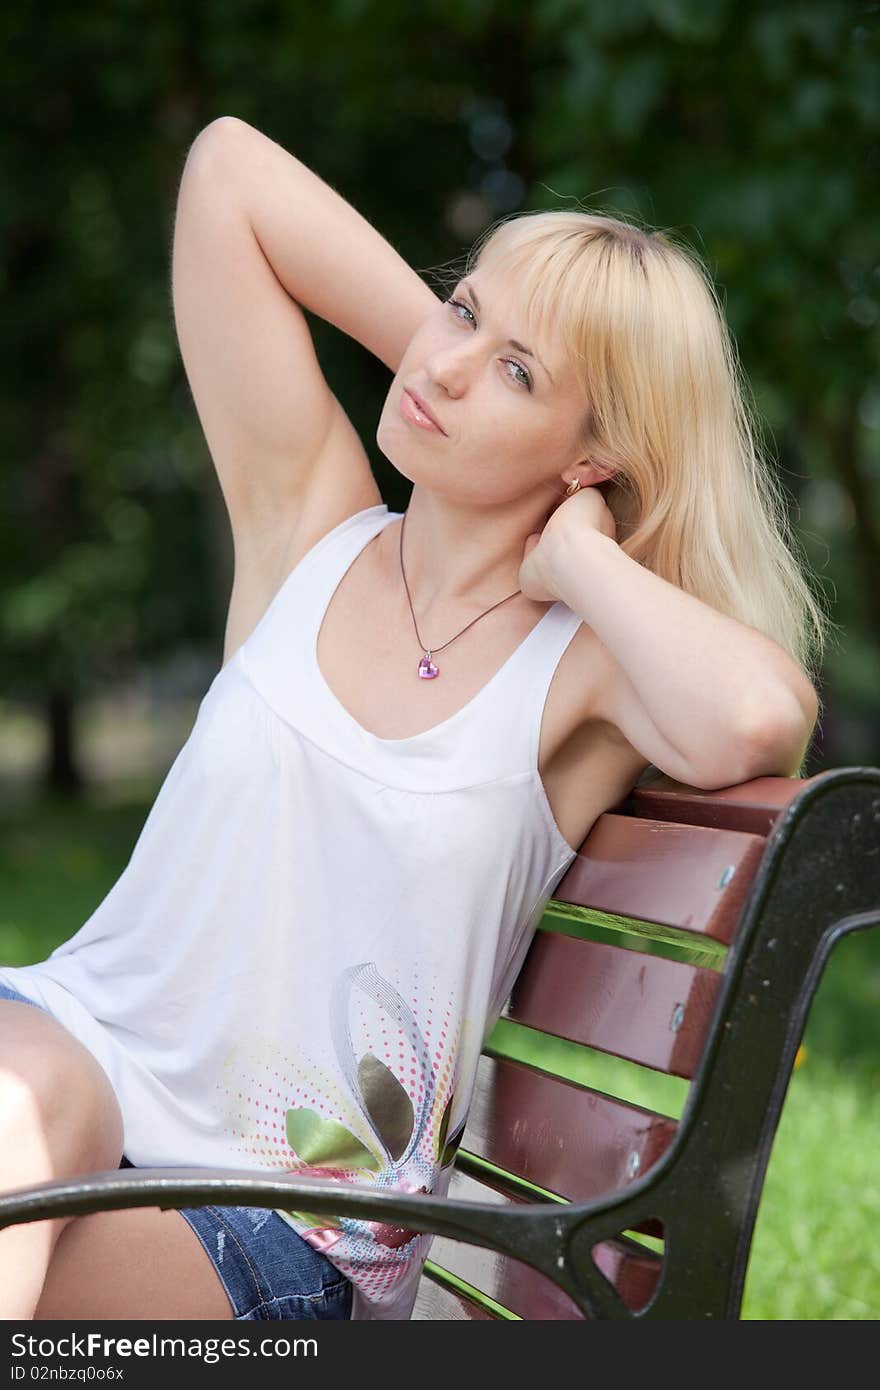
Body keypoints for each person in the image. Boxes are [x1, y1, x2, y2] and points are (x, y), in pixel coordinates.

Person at [0, 116, 826, 1321]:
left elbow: (760, 718)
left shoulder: (579, 675)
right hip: (64, 1054)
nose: (443, 365)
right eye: (462, 309)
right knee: (25, 1101)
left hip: (279, 1222)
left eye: (519, 373)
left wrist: (578, 560)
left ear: (596, 455)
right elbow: (227, 169)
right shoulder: (311, 526)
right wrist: (464, 364)